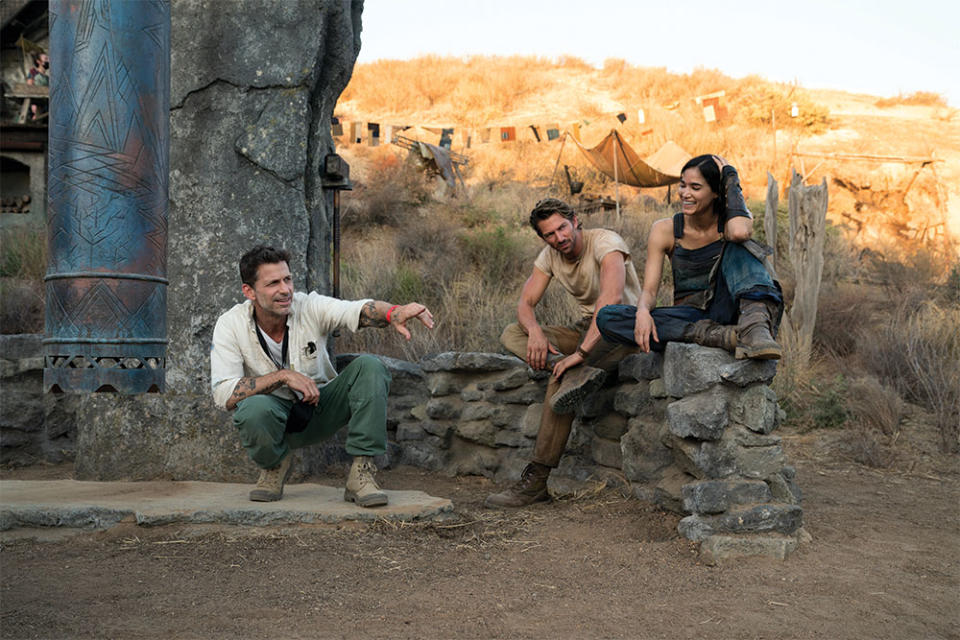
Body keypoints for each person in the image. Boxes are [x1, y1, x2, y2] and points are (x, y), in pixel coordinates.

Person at [210, 245, 434, 506]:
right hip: (275, 415)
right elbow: (223, 393)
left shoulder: (309, 305)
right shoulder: (230, 324)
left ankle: (361, 475)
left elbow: (357, 310)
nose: (285, 290)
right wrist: (282, 376)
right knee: (251, 409)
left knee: (370, 367)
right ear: (249, 291)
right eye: (273, 283)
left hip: (321, 406)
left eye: (287, 279)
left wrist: (392, 312)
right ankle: (274, 465)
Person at [484, 198, 641, 508]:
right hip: (585, 328)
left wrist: (580, 354)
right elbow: (525, 304)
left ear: (575, 221)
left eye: (562, 228)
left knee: (563, 377)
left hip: (622, 329)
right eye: (550, 234)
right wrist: (537, 333)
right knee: (512, 333)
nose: (559, 238)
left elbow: (609, 303)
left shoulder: (607, 244)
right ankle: (565, 366)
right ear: (543, 238)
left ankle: (536, 482)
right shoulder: (549, 256)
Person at [595, 154, 782, 360]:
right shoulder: (664, 230)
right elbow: (649, 290)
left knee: (738, 245)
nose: (685, 193)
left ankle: (755, 329)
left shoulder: (731, 224)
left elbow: (739, 233)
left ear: (715, 193)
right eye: (682, 185)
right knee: (607, 318)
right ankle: (725, 337)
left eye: (695, 187)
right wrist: (642, 313)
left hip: (728, 309)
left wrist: (730, 178)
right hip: (689, 318)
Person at [26, 52, 49, 121]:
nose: (49, 60)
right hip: (36, 104)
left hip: (46, 104)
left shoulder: (47, 78)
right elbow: (29, 88)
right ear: (39, 62)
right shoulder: (33, 72)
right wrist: (33, 108)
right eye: (46, 59)